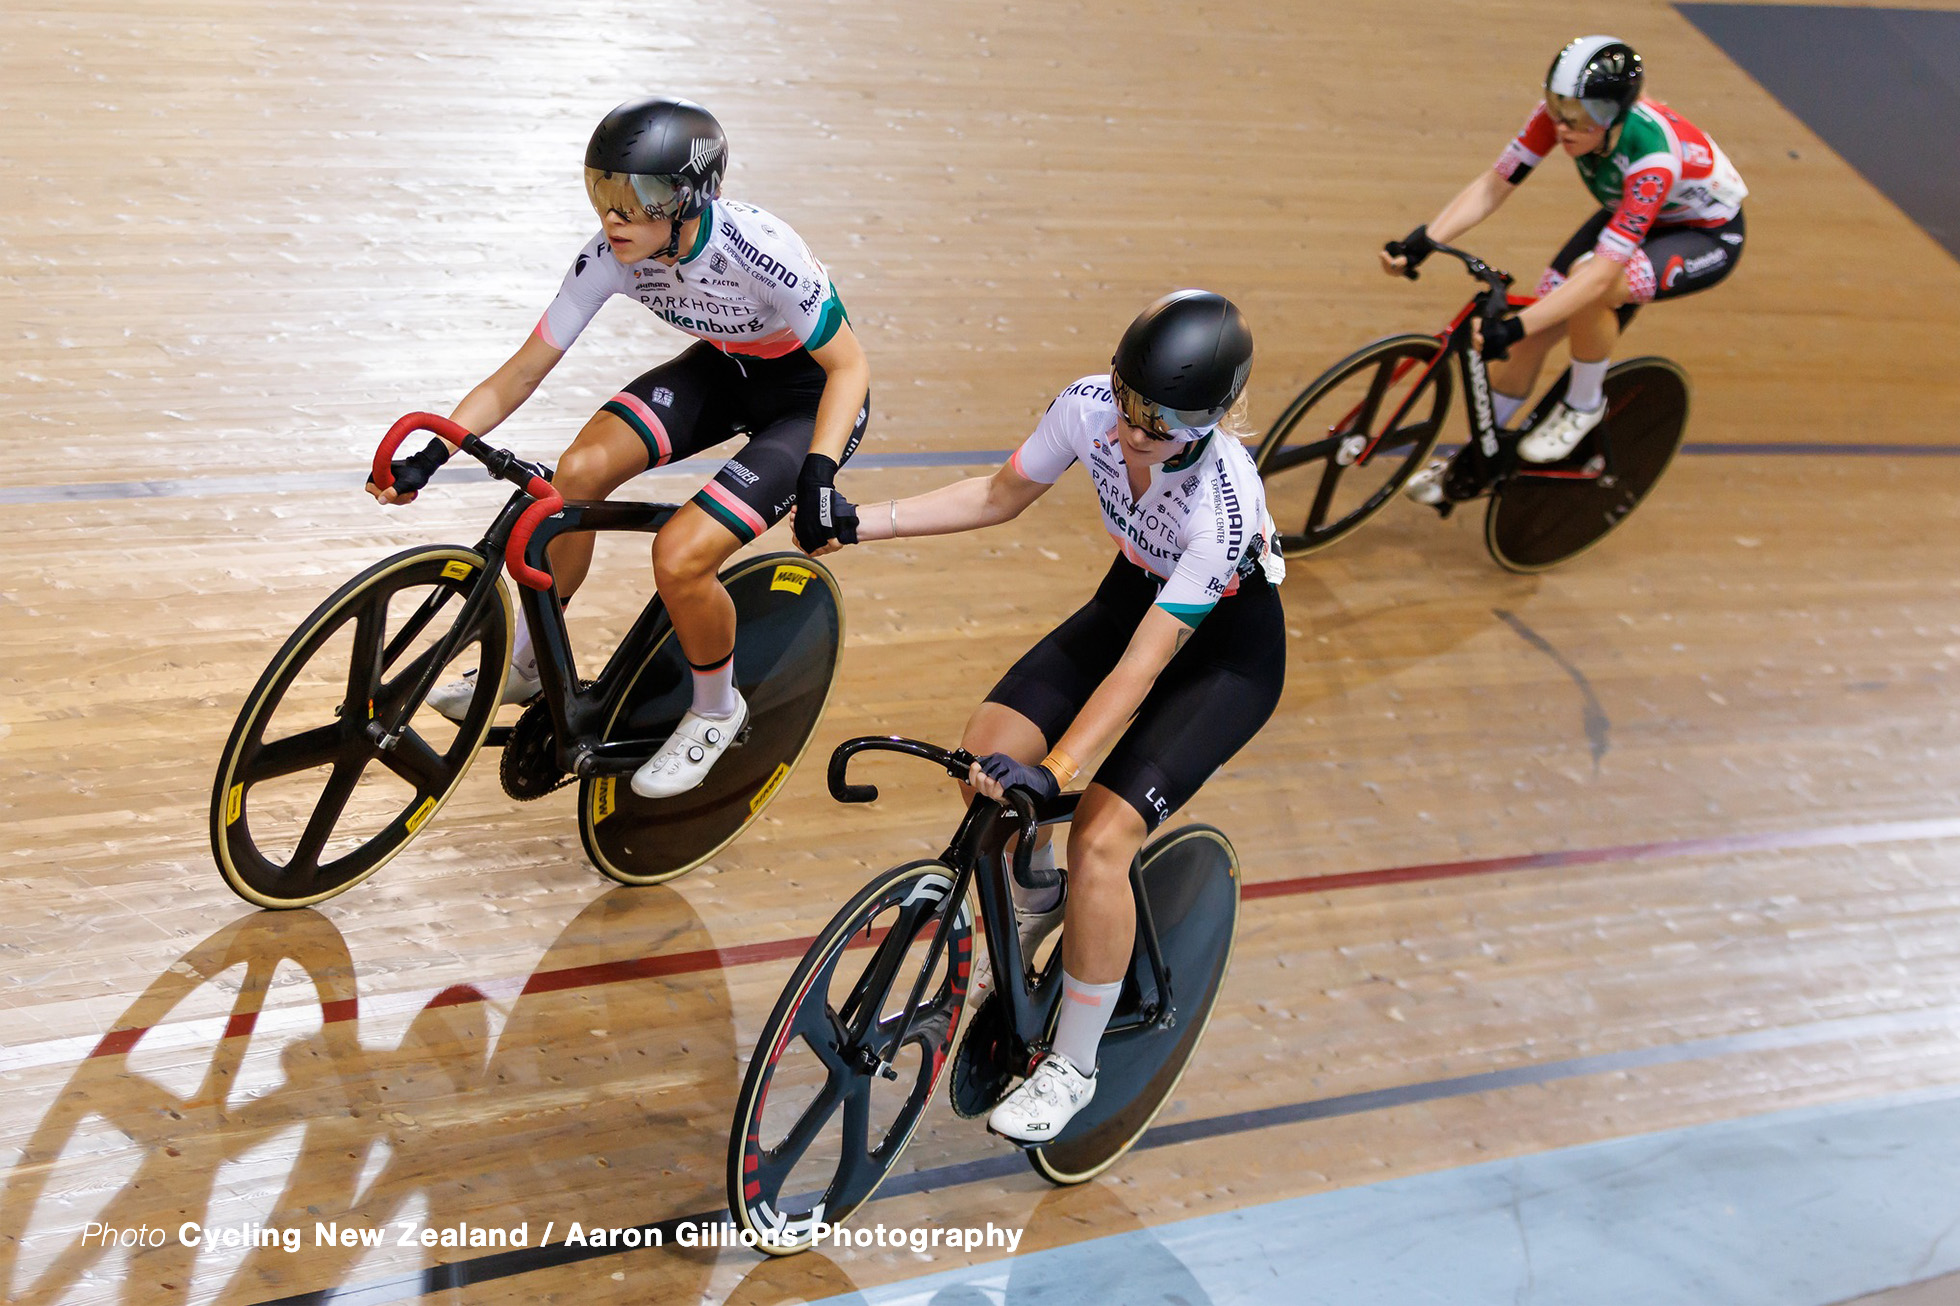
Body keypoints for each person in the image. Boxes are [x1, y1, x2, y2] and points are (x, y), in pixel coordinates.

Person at [805, 291, 1286, 1141]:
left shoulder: (1224, 501)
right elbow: (998, 495)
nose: (1138, 432)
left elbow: (1145, 667)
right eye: (1132, 403)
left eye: (1166, 422)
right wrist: (862, 521)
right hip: (1128, 599)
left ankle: (1072, 1064)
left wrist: (1060, 774)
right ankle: (1038, 894)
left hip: (1223, 661)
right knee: (984, 757)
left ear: (1217, 418)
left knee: (1098, 836)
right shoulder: (1088, 409)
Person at [368, 96, 870, 797]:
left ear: (690, 198)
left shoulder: (761, 251)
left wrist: (818, 475)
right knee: (574, 476)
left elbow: (849, 367)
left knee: (682, 555)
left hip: (810, 401)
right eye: (604, 192)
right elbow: (522, 370)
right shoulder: (609, 256)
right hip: (726, 370)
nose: (613, 216)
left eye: (635, 199)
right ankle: (535, 663)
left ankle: (716, 711)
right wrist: (441, 449)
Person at [1386, 36, 1747, 500]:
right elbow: (1495, 185)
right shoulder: (1558, 119)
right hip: (1632, 213)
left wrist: (1510, 328)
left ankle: (1584, 404)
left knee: (1591, 289)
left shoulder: (1653, 157)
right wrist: (1425, 240)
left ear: (1616, 114)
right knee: (1537, 333)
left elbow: (1598, 277)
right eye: (1559, 108)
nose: (1566, 126)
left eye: (1586, 116)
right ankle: (1474, 461)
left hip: (1701, 234)